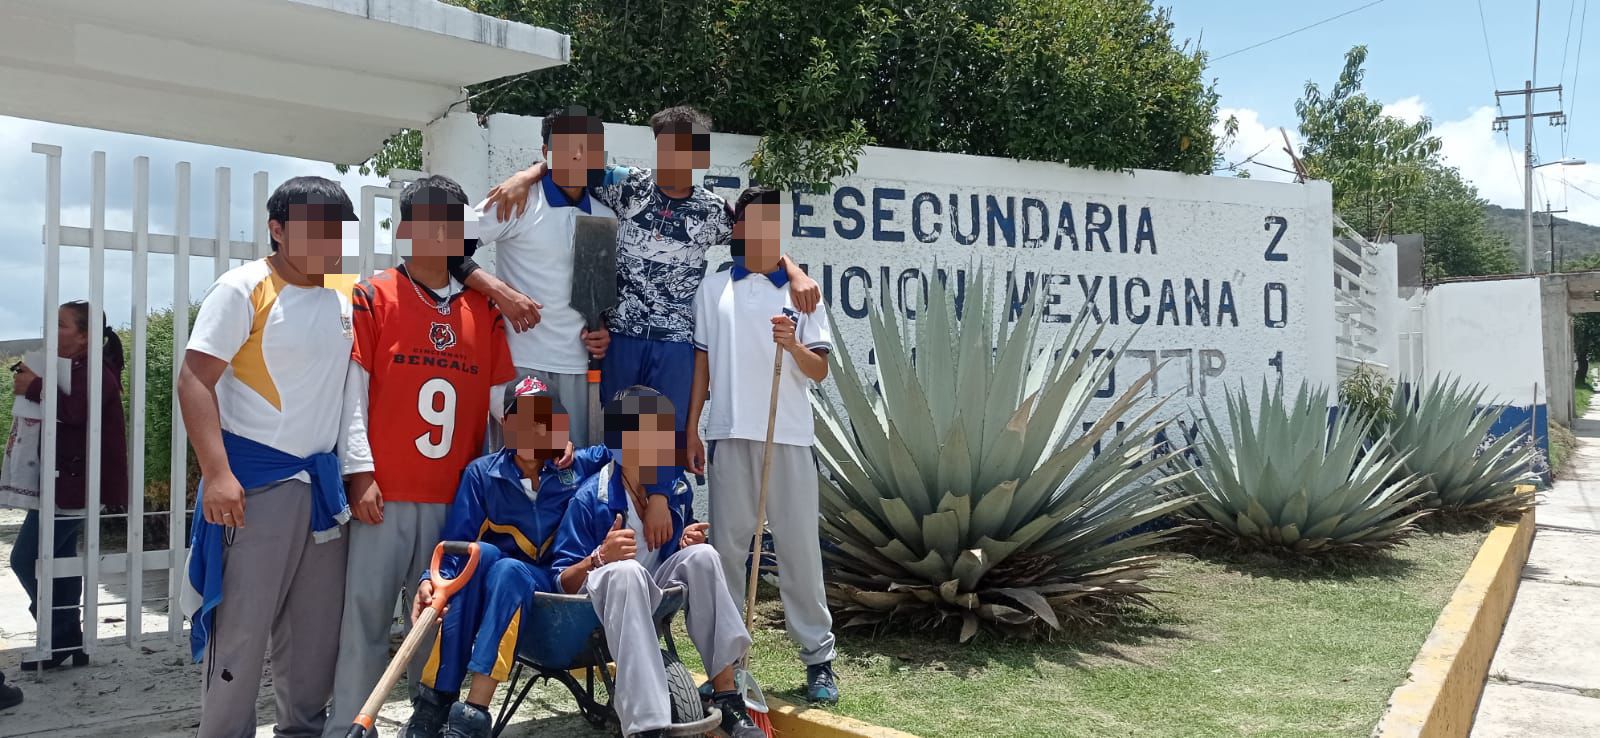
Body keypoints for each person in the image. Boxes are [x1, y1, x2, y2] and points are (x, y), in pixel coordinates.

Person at [481, 105, 821, 560]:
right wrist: (528, 175)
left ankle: (665, 552)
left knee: (667, 441)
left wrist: (795, 272)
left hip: (676, 344)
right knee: (614, 441)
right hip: (621, 339)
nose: (676, 156)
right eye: (667, 146)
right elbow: (569, 164)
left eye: (688, 147)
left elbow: (760, 241)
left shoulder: (714, 211)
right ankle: (604, 550)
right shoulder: (626, 185)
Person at [324, 176, 518, 737]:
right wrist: (359, 472)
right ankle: (349, 725)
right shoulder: (374, 296)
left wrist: (547, 438)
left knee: (435, 624)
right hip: (385, 492)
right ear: (408, 229)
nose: (442, 232)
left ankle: (424, 725)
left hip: (454, 500)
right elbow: (354, 394)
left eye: (452, 221)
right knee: (365, 616)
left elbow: (502, 401)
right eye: (431, 221)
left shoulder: (483, 310)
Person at [178, 176, 359, 738]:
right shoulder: (243, 288)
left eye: (337, 229)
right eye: (314, 228)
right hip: (254, 489)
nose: (328, 241)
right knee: (240, 634)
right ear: (277, 229)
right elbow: (193, 380)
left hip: (322, 491)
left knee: (313, 638)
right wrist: (217, 474)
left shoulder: (345, 296)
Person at [687, 187, 840, 703]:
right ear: (739, 229)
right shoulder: (713, 289)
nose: (765, 232)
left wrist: (792, 344)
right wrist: (691, 427)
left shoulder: (803, 293)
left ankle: (818, 658)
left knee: (798, 550)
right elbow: (702, 365)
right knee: (728, 553)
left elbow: (819, 370)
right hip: (730, 432)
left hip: (788, 433)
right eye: (756, 222)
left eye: (774, 222)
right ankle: (727, 663)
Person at [549, 386, 764, 738]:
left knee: (704, 556)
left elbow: (674, 550)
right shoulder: (590, 498)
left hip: (651, 591)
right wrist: (600, 557)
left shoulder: (674, 491)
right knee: (626, 571)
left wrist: (685, 541)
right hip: (599, 605)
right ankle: (647, 726)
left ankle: (727, 697)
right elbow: (561, 582)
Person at [405, 376, 604, 738]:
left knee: (510, 569)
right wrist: (428, 581)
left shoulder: (576, 466)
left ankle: (472, 717)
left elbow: (626, 453)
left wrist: (573, 448)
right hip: (497, 594)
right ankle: (435, 700)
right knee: (479, 555)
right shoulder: (483, 475)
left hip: (552, 587)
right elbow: (456, 542)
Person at [444, 106, 613, 448]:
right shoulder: (516, 201)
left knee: (572, 470)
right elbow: (448, 247)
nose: (577, 155)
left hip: (581, 370)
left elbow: (599, 296)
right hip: (520, 365)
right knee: (519, 473)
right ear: (547, 151)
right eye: (567, 146)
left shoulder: (606, 215)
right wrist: (500, 292)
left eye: (587, 146)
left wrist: (602, 333)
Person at [8, 300, 130, 671]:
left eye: (61, 324)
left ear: (85, 336)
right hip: (67, 483)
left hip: (76, 486)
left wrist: (34, 386)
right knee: (60, 560)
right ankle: (69, 640)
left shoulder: (96, 371)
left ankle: (61, 635)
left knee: (24, 559)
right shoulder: (76, 367)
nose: (53, 331)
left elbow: (77, 413)